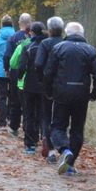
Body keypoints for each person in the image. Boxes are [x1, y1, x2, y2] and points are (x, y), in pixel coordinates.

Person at [43, 22, 96, 175]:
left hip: (61, 93)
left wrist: (48, 91)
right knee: (77, 129)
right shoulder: (90, 50)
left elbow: (48, 72)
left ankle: (65, 150)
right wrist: (94, 94)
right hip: (81, 95)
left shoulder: (58, 48)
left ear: (67, 33)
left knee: (57, 126)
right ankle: (70, 163)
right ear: (82, 34)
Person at [34, 16, 64, 164]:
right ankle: (63, 148)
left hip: (47, 85)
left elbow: (38, 64)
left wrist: (41, 80)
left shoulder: (45, 44)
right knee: (60, 117)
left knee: (46, 115)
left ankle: (51, 150)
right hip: (63, 86)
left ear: (50, 30)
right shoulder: (66, 43)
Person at [18, 22, 47, 154]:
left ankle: (30, 144)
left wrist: (19, 77)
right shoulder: (48, 46)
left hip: (29, 85)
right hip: (45, 86)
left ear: (32, 33)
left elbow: (22, 66)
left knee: (29, 113)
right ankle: (45, 138)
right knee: (43, 114)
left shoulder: (28, 46)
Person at [3, 13, 32, 137]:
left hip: (16, 71)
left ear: (19, 23)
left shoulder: (13, 38)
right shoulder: (32, 37)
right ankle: (28, 127)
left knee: (15, 99)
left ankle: (14, 127)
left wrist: (7, 69)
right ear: (30, 23)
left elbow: (7, 55)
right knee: (29, 101)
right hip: (31, 72)